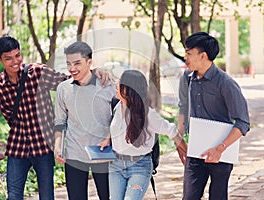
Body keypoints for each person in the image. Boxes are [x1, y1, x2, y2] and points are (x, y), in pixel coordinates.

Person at [0, 36, 109, 200]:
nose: (15, 61)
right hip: (17, 149)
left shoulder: (38, 73)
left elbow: (70, 81)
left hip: (43, 147)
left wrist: (94, 72)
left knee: (47, 197)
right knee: (14, 196)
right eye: (8, 58)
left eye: (17, 55)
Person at [178, 32, 250, 200]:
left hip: (221, 154)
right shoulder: (187, 78)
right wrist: (179, 140)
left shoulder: (226, 83)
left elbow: (243, 122)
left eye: (189, 53)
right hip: (195, 152)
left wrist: (220, 148)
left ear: (203, 56)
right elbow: (183, 108)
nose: (185, 57)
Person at [99, 69, 187, 200]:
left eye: (120, 83)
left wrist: (186, 152)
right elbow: (115, 127)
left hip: (139, 166)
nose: (116, 85)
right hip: (116, 165)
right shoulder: (117, 105)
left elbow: (171, 131)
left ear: (128, 90)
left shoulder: (147, 115)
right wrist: (107, 139)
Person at [53, 41, 115, 200]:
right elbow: (60, 121)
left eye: (77, 63)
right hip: (75, 155)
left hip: (103, 154)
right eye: (68, 64)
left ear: (89, 62)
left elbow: (119, 117)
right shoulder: (63, 88)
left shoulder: (108, 85)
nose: (72, 68)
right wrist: (58, 146)